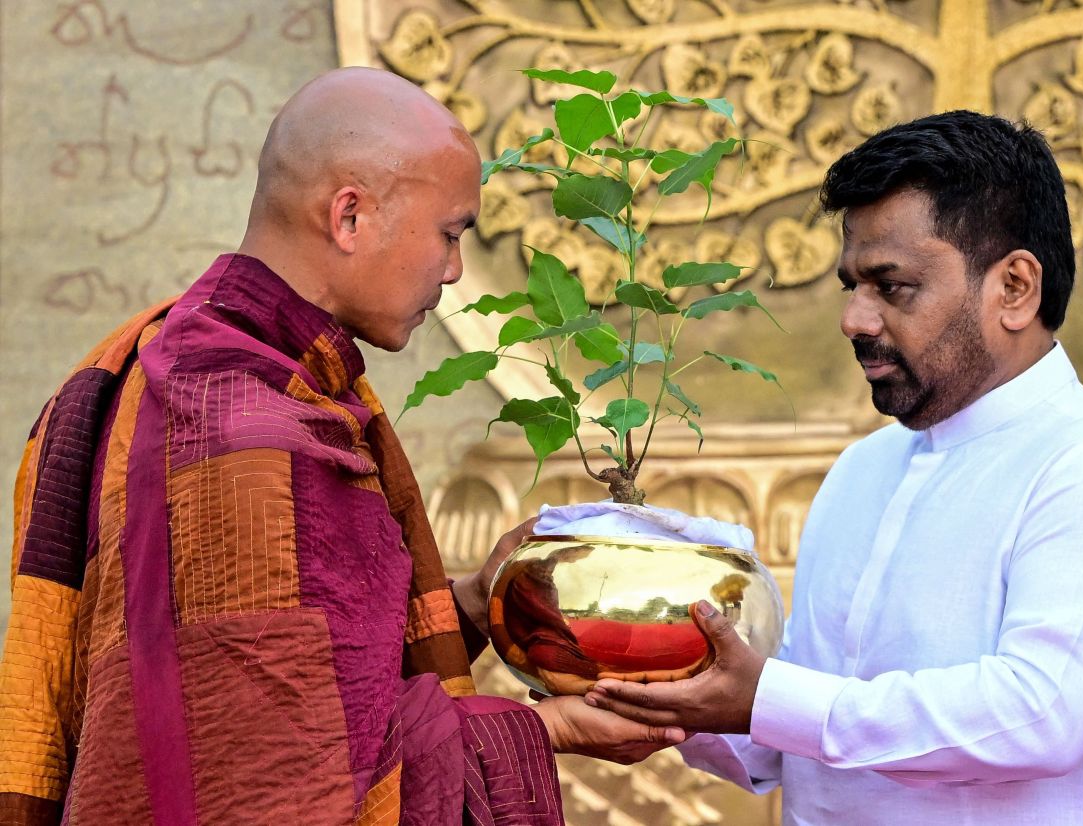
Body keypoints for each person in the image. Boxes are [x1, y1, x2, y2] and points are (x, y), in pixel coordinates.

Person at [0, 67, 683, 825]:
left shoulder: (160, 368)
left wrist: (479, 601)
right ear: (350, 216)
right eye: (450, 234)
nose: (454, 271)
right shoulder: (250, 437)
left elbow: (305, 688)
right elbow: (282, 778)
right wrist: (547, 727)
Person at [585, 111, 1083, 824]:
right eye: (852, 285)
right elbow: (800, 737)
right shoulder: (863, 471)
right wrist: (666, 697)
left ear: (1015, 289)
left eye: (892, 286)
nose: (854, 318)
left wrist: (767, 699)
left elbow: (1042, 715)